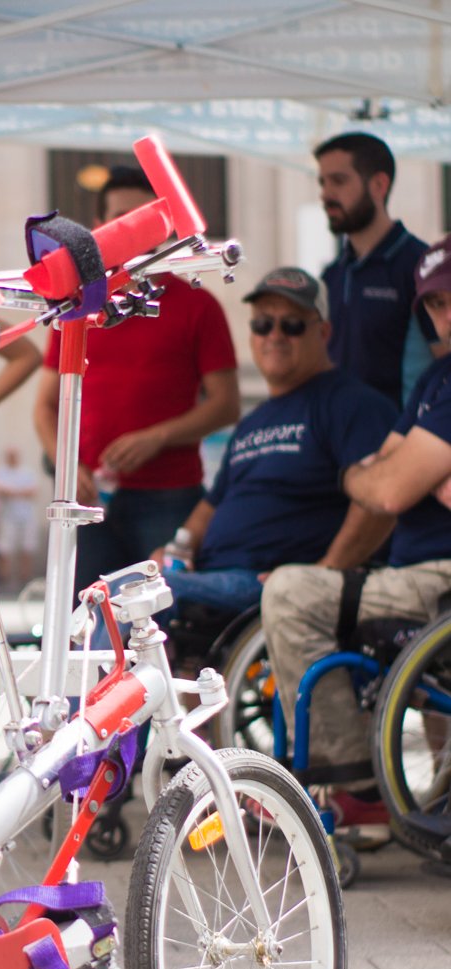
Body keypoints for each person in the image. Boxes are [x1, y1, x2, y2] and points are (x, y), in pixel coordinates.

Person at [262, 236, 451, 822]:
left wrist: (387, 476)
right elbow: (380, 475)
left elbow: (389, 489)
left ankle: (351, 784)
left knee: (291, 594)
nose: (443, 316)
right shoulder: (434, 380)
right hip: (411, 575)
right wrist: (374, 475)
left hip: (438, 579)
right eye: (435, 305)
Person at [33, 165, 240, 597]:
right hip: (88, 500)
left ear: (160, 228)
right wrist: (68, 469)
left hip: (170, 495)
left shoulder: (198, 305)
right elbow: (43, 406)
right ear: (98, 229)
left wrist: (158, 437)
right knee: (83, 622)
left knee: (165, 620)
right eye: (118, 221)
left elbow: (226, 404)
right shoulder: (76, 307)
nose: (129, 232)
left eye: (140, 221)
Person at [152, 267, 398, 624]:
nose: (275, 336)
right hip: (208, 576)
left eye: (292, 325)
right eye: (263, 324)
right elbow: (210, 506)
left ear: (324, 332)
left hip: (264, 582)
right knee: (105, 595)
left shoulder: (353, 405)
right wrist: (177, 549)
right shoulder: (252, 422)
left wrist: (320, 576)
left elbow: (380, 502)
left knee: (129, 603)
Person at [315, 131, 439, 407]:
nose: (326, 194)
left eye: (338, 181)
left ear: (379, 185)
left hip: (401, 441)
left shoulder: (421, 268)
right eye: (322, 182)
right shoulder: (331, 275)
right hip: (338, 441)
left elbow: (445, 363)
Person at [0, 446, 38, 587]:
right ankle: (5, 577)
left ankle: (25, 576)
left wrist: (12, 492)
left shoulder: (27, 472)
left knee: (27, 546)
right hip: (7, 516)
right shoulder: (0, 472)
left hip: (26, 515)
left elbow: (33, 491)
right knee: (5, 547)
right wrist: (19, 493)